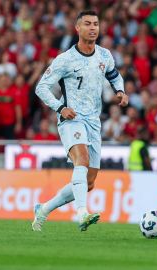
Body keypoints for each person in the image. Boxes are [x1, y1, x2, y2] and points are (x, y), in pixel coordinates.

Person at [33, 10, 128, 232]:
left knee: (90, 182)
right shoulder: (65, 59)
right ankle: (82, 213)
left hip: (94, 121)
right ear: (78, 28)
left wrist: (121, 91)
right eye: (87, 24)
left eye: (96, 23)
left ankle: (44, 209)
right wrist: (60, 107)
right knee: (81, 161)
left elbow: (114, 75)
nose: (93, 27)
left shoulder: (104, 55)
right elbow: (41, 87)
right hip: (71, 118)